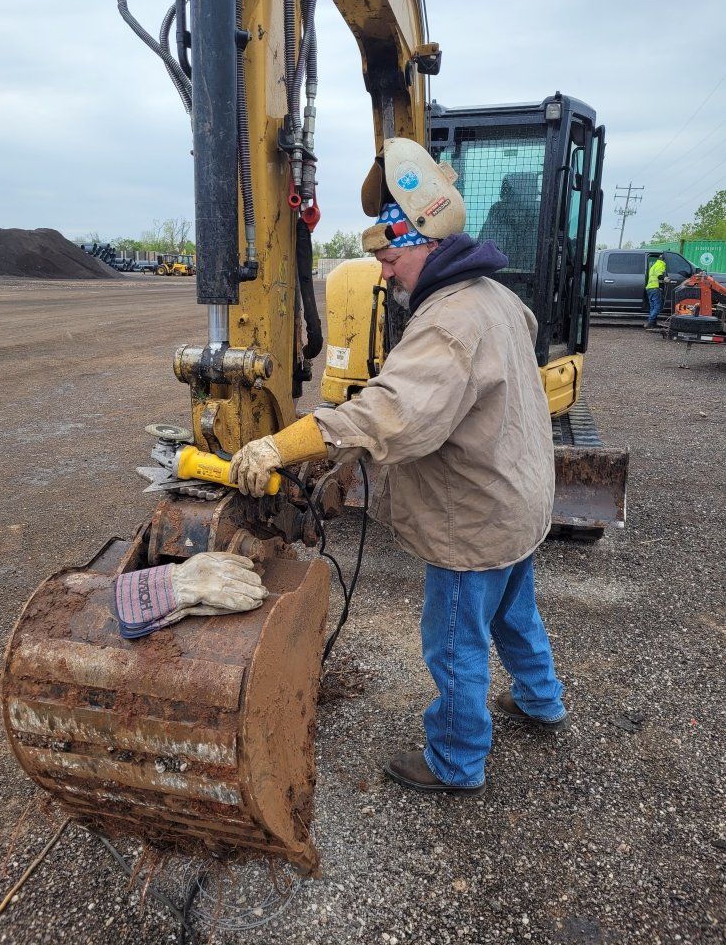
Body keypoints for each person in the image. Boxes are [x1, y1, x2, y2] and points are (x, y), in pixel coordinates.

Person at [229, 138, 568, 796]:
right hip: (519, 501)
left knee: (454, 646)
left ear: (425, 240)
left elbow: (393, 412)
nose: (383, 271)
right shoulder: (491, 295)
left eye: (389, 255)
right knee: (514, 613)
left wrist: (284, 445)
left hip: (473, 519)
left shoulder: (450, 321)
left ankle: (457, 762)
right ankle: (542, 699)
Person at [645, 255, 667, 330]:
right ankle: (650, 322)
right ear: (664, 260)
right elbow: (659, 276)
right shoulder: (661, 264)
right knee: (658, 307)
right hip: (655, 288)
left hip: (649, 288)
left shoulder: (654, 265)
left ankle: (652, 323)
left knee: (653, 307)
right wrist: (665, 279)